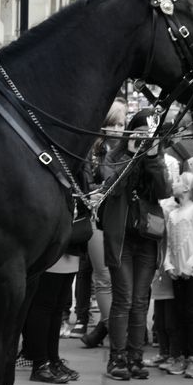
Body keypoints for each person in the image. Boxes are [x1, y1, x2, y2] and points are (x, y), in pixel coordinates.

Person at [99, 108, 172, 380]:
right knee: (124, 298)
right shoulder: (115, 156)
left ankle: (135, 358)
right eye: (139, 133)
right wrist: (131, 155)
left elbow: (164, 192)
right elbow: (113, 187)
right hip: (120, 239)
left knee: (141, 301)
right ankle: (116, 359)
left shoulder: (156, 156)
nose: (143, 139)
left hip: (147, 239)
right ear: (131, 131)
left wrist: (152, 157)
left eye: (148, 135)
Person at [81, 99, 128, 348]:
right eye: (113, 124)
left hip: (121, 221)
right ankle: (113, 329)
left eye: (122, 123)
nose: (118, 129)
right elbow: (85, 184)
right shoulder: (93, 151)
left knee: (120, 278)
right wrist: (94, 191)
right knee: (103, 278)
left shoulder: (128, 151)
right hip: (97, 220)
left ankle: (109, 330)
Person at [162, 172, 193, 379]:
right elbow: (169, 244)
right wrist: (168, 264)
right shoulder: (173, 214)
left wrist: (189, 266)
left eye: (179, 181)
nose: (175, 183)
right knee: (179, 314)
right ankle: (179, 355)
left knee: (192, 314)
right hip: (177, 273)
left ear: (187, 189)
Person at [18, 253, 81, 384]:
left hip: (71, 250)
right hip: (52, 253)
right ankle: (40, 364)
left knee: (57, 308)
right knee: (44, 307)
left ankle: (53, 361)